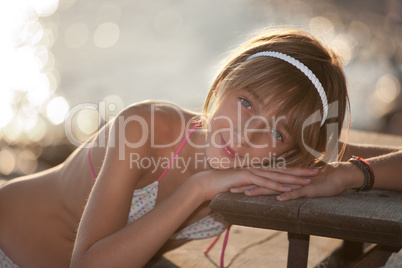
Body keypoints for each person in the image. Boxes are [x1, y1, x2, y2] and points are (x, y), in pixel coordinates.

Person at [0, 28, 401, 268]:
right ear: (224, 79)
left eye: (277, 133)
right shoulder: (148, 129)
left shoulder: (277, 162)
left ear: (292, 152)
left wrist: (351, 173)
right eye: (246, 103)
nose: (247, 135)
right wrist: (199, 187)